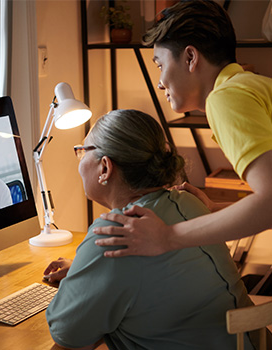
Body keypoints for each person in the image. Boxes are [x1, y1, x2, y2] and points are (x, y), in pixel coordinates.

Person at [45, 109, 264, 350]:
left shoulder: (119, 231)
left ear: (105, 167)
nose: (79, 161)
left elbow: (66, 332)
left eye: (82, 151)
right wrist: (85, 272)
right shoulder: (188, 200)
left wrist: (89, 273)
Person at [92, 0, 272, 258]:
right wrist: (215, 208)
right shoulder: (249, 86)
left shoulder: (225, 98)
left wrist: (166, 237)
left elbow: (269, 203)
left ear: (190, 57)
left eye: (160, 65)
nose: (160, 83)